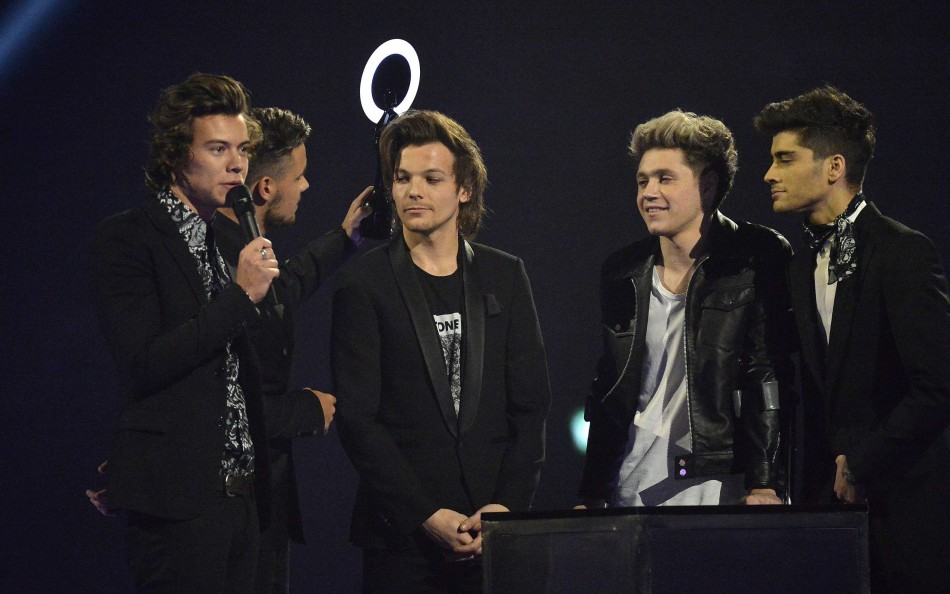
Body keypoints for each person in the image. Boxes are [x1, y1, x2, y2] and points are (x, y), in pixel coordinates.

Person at [330, 109, 551, 593]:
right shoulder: (362, 284)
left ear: (464, 188)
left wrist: (504, 510)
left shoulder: (505, 275)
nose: (414, 191)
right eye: (403, 178)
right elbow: (358, 420)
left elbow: (530, 407)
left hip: (489, 534)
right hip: (401, 540)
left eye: (432, 178)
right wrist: (423, 514)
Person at [755, 86, 950, 592]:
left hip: (905, 509)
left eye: (784, 159)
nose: (769, 175)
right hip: (828, 511)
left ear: (834, 166)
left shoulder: (903, 251)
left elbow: (939, 385)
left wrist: (863, 463)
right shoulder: (798, 266)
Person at [92, 72, 277, 593]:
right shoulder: (128, 237)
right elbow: (144, 361)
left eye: (241, 149)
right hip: (178, 505)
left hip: (242, 502)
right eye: (218, 148)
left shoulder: (226, 242)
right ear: (177, 155)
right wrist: (239, 298)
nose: (236, 163)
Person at [578, 110, 794, 510]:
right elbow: (609, 387)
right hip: (631, 490)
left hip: (720, 489)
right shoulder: (622, 270)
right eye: (642, 180)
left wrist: (766, 483)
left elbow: (767, 374)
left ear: (708, 185)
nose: (648, 192)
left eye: (665, 178)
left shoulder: (755, 255)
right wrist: (591, 492)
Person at [214, 106, 371, 593]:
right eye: (299, 177)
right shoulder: (219, 256)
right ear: (265, 188)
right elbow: (220, 400)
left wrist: (344, 239)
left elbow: (285, 291)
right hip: (228, 508)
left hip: (258, 500)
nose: (305, 187)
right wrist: (303, 410)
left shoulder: (245, 243)